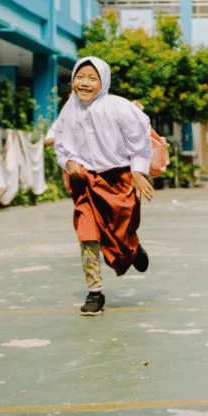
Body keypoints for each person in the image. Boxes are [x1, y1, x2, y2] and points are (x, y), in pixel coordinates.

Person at [53, 56, 155, 315]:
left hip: (119, 179)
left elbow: (140, 140)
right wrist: (68, 162)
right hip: (85, 182)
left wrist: (138, 172)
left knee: (120, 234)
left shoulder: (119, 107)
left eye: (92, 78)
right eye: (80, 77)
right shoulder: (69, 110)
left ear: (104, 81)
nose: (84, 83)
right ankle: (94, 293)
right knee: (87, 236)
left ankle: (131, 248)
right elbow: (60, 145)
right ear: (73, 80)